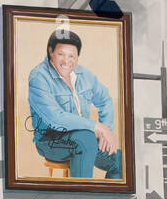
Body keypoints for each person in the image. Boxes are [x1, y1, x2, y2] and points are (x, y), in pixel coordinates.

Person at [27, 28, 122, 179]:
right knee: (86, 139)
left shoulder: (84, 75)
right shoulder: (38, 78)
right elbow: (55, 118)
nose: (66, 61)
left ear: (78, 56)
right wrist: (96, 127)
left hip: (85, 137)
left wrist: (106, 131)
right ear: (50, 52)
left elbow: (105, 100)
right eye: (61, 54)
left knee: (119, 160)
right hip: (50, 141)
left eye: (72, 56)